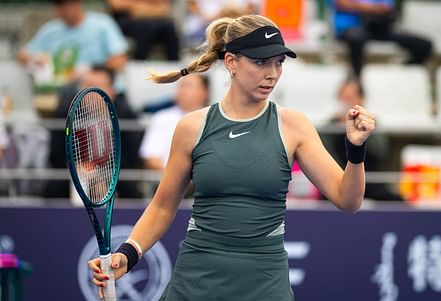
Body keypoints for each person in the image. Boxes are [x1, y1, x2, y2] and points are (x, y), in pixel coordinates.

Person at [88, 14, 375, 300]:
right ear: (231, 63)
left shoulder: (294, 126)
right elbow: (163, 206)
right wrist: (129, 253)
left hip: (265, 281)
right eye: (261, 62)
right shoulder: (192, 127)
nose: (272, 73)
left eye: (279, 62)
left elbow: (348, 200)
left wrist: (356, 150)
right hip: (196, 278)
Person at [44, 65, 143, 199]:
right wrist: (78, 168)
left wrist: (104, 174)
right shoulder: (65, 114)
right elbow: (56, 154)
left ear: (112, 90)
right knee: (54, 188)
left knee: (130, 189)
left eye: (98, 86)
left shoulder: (126, 116)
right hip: (74, 172)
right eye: (87, 86)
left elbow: (132, 155)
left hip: (114, 173)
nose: (91, 92)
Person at [17, 0, 128, 84]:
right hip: (61, 93)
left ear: (78, 3)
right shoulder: (49, 30)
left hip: (98, 91)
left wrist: (88, 70)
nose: (62, 10)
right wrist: (36, 58)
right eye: (59, 5)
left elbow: (119, 60)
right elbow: (22, 55)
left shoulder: (103, 24)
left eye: (66, 4)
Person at [330, 76, 404, 201]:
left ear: (360, 99)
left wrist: (363, 132)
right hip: (339, 183)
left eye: (349, 98)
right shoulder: (330, 126)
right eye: (342, 97)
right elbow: (327, 156)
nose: (345, 102)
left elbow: (381, 153)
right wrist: (342, 127)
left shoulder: (370, 123)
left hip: (370, 183)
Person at [332, 0, 433, 77]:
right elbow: (342, 3)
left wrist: (357, 7)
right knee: (356, 38)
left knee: (423, 45)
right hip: (351, 28)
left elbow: (387, 9)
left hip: (379, 29)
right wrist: (373, 9)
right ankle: (357, 79)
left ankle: (402, 73)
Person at [139, 74, 210, 170]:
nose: (182, 91)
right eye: (180, 86)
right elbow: (151, 158)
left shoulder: (215, 119)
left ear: (204, 92)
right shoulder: (161, 118)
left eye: (188, 86)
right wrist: (174, 180)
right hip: (165, 180)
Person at [107, 0, 180, 60]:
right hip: (125, 21)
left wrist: (137, 7)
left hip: (156, 21)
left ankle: (176, 70)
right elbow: (117, 5)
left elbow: (164, 8)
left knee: (169, 27)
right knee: (146, 28)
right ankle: (138, 65)